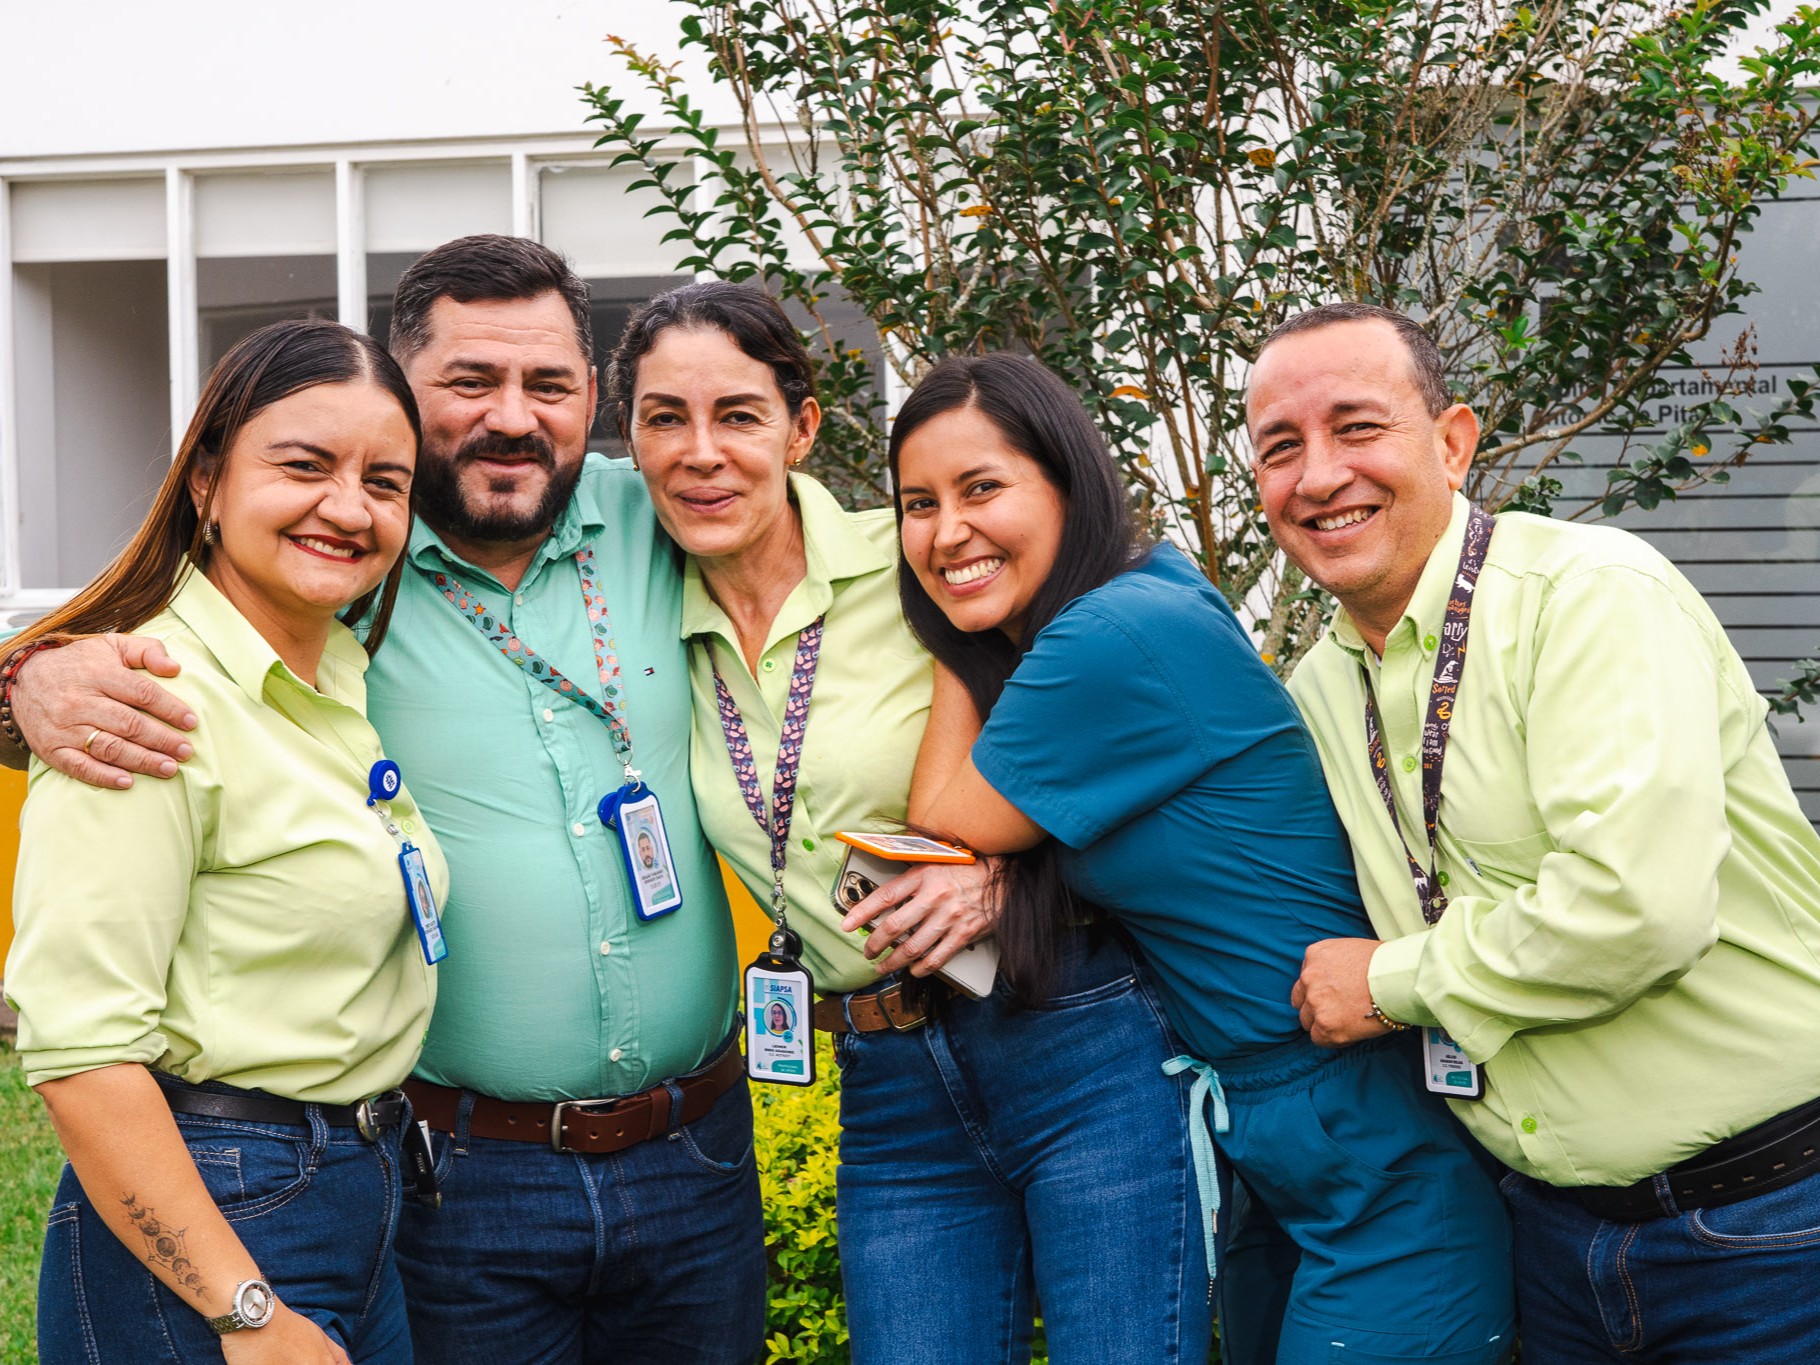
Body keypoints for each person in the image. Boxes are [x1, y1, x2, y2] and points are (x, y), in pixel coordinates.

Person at [1, 238, 762, 1365]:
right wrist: (27, 680)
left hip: (692, 1154)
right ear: (403, 395)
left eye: (548, 385)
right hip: (453, 1175)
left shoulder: (674, 515)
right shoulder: (316, 599)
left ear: (592, 398)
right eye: (469, 383)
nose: (513, 416)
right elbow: (81, 1039)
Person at [609, 281, 1210, 1362]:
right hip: (884, 1080)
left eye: (738, 414)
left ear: (800, 429)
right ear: (630, 442)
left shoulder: (930, 554)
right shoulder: (641, 616)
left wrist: (1006, 879)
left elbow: (1138, 742)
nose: (702, 452)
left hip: (1070, 1036)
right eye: (664, 418)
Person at [892, 351, 1516, 1364]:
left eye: (980, 489)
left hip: (1366, 1134)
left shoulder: (1110, 632)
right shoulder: (1142, 596)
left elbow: (946, 811)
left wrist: (948, 638)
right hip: (1275, 1132)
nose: (944, 530)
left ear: (1066, 482)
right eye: (915, 503)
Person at [1254, 301, 1820, 1363]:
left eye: (1355, 426)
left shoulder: (1586, 597)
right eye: (1279, 448)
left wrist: (1386, 984)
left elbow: (1634, 910)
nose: (1317, 475)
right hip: (1546, 1241)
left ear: (1453, 441)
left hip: (1765, 1233)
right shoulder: (1317, 687)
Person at [6, 318, 445, 1364]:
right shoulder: (144, 702)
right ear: (206, 480)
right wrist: (245, 1313)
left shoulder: (334, 676)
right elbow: (82, 1055)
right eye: (304, 466)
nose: (349, 507)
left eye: (385, 482)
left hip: (360, 1188)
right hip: (219, 1220)